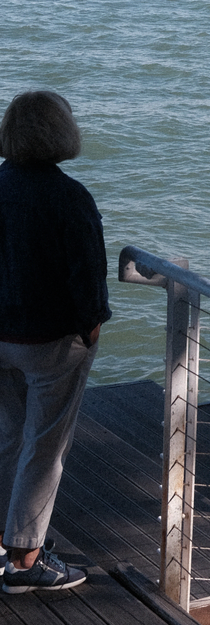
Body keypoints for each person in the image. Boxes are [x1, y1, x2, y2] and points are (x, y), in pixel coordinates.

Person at [0, 90, 110, 593]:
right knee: (44, 449)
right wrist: (92, 325)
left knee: (6, 437)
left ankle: (6, 542)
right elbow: (86, 277)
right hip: (50, 342)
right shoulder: (70, 197)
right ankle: (25, 561)